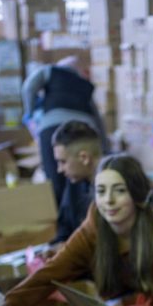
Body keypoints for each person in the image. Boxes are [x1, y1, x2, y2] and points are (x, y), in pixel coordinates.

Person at [3, 154, 153, 306]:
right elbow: (51, 273)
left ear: (136, 194)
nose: (108, 200)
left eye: (119, 191)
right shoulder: (92, 229)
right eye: (101, 191)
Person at [22, 57, 109, 206]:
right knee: (82, 177)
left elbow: (29, 87)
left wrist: (29, 112)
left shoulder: (50, 70)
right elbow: (97, 116)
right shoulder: (85, 85)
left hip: (51, 126)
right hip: (83, 130)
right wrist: (104, 147)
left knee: (55, 177)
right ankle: (84, 214)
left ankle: (61, 216)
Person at [50, 120, 103, 247]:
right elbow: (64, 229)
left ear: (84, 158)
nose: (59, 169)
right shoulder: (75, 182)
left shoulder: (121, 181)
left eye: (63, 162)